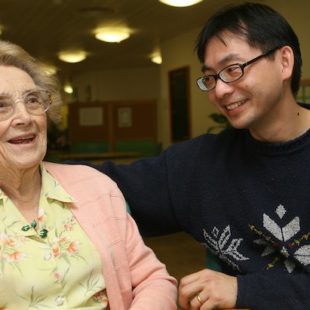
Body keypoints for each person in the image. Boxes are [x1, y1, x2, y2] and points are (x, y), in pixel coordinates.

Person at [97, 2, 310, 309]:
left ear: (284, 62)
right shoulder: (202, 163)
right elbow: (106, 185)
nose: (220, 91)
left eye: (233, 70)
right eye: (211, 78)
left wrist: (244, 289)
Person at [0, 39, 177, 309]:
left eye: (32, 100)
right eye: (1, 106)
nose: (25, 117)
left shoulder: (95, 186)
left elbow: (152, 278)